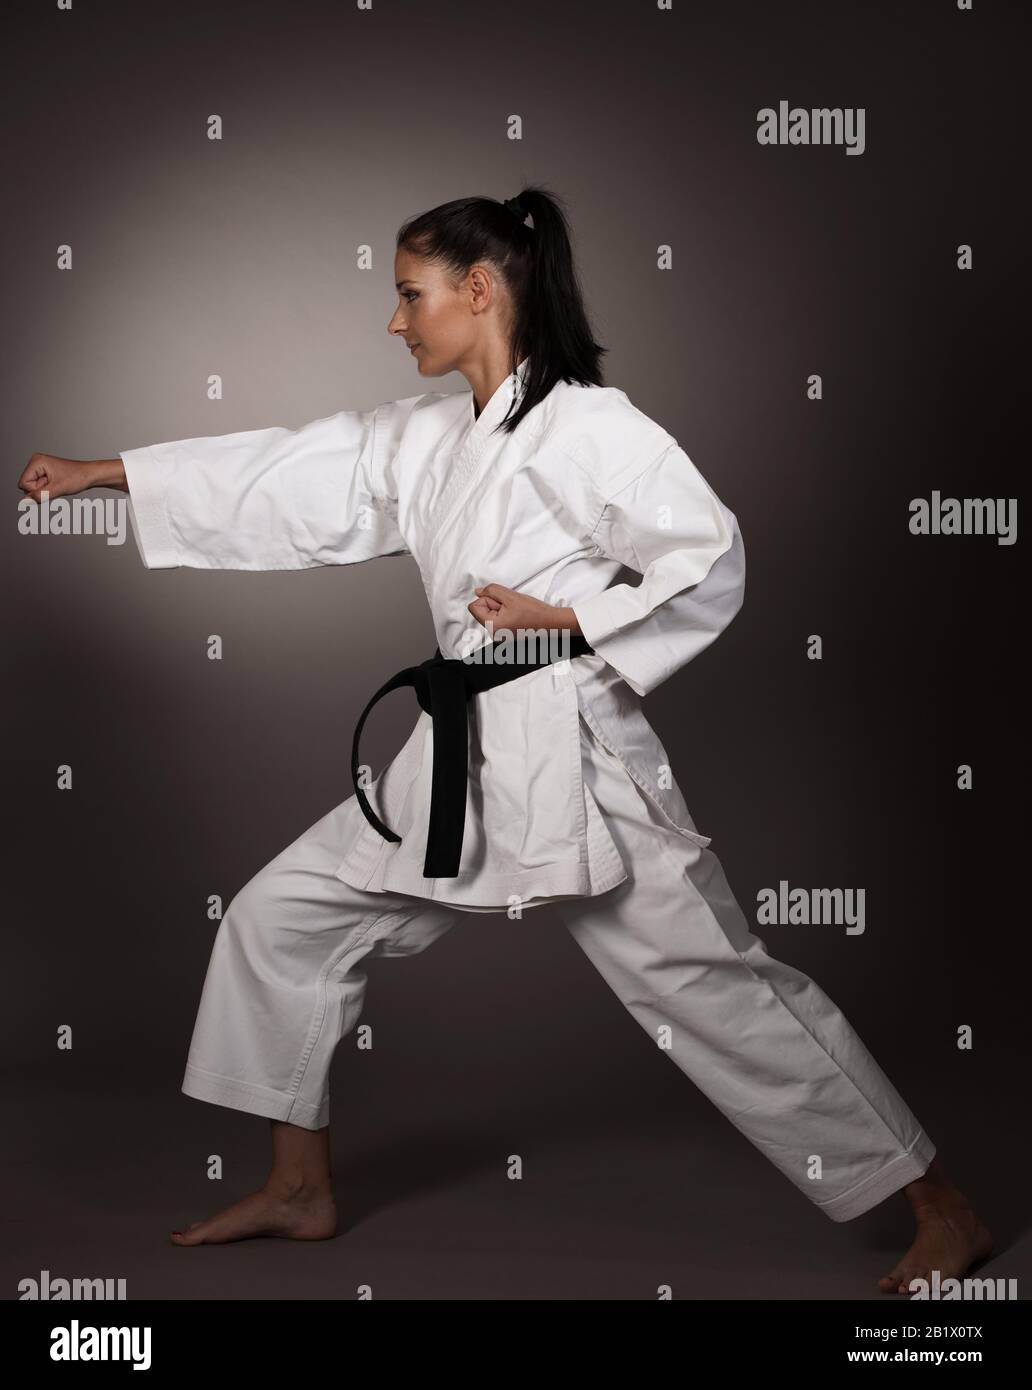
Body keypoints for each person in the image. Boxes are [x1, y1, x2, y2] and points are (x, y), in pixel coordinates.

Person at [19, 186, 992, 1295]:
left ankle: (939, 1205)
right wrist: (109, 476)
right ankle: (299, 1187)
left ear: (480, 290)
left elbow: (708, 554)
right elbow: (286, 474)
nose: (396, 322)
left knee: (713, 986)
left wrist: (568, 618)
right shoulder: (428, 439)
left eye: (408, 295)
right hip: (454, 760)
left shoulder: (589, 425)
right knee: (278, 919)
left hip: (572, 755)